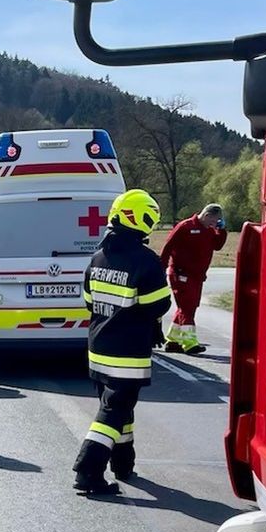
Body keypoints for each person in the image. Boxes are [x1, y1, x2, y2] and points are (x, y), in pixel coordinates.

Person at [74, 189, 172, 495]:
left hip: (98, 348)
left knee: (120, 410)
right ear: (141, 219)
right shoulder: (146, 261)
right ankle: (88, 470)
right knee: (113, 414)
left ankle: (122, 463)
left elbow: (89, 301)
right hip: (128, 353)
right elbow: (159, 305)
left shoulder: (98, 256)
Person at [159, 203, 227, 355]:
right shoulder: (185, 227)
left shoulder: (209, 231)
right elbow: (168, 246)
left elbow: (217, 246)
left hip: (197, 276)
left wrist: (221, 230)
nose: (214, 224)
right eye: (214, 220)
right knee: (188, 308)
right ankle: (190, 343)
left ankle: (173, 340)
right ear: (207, 215)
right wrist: (161, 268)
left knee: (188, 307)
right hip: (181, 274)